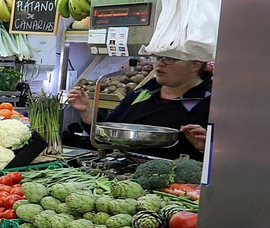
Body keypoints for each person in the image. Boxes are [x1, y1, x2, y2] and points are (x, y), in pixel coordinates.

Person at [66, 54, 210, 155]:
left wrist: (205, 148)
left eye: (170, 59)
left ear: (195, 64)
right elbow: (110, 133)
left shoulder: (212, 102)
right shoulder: (143, 91)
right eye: (158, 57)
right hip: (124, 171)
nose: (159, 63)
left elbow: (222, 159)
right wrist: (87, 111)